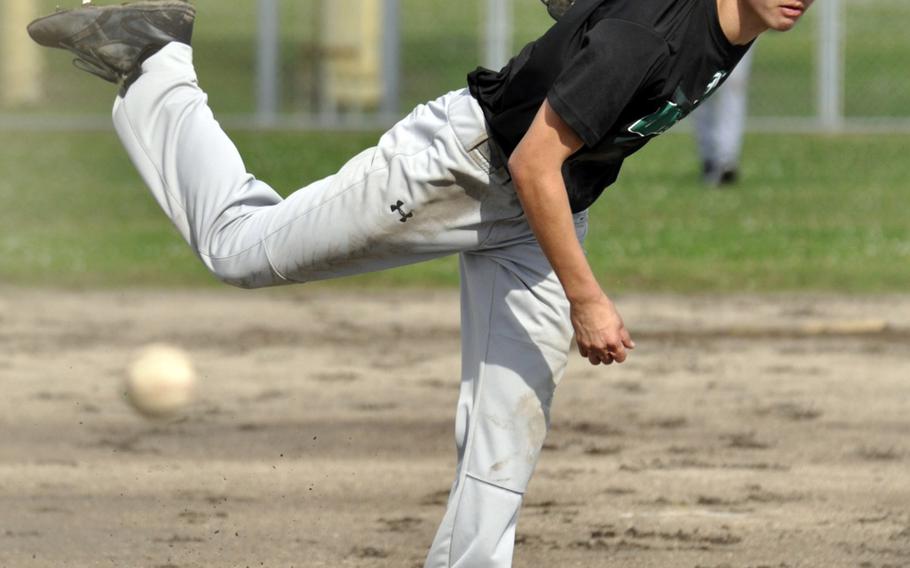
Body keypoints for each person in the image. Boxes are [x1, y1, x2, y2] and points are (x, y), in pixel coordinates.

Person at [27, 0, 813, 566]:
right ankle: (155, 56)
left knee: (513, 422)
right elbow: (536, 159)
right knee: (240, 249)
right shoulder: (651, 34)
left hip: (539, 209)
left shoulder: (722, 25)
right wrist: (587, 297)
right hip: (461, 169)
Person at [694, 46, 756, 186]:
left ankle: (727, 159)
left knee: (734, 86)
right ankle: (709, 156)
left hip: (742, 28)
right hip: (703, 28)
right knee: (702, 88)